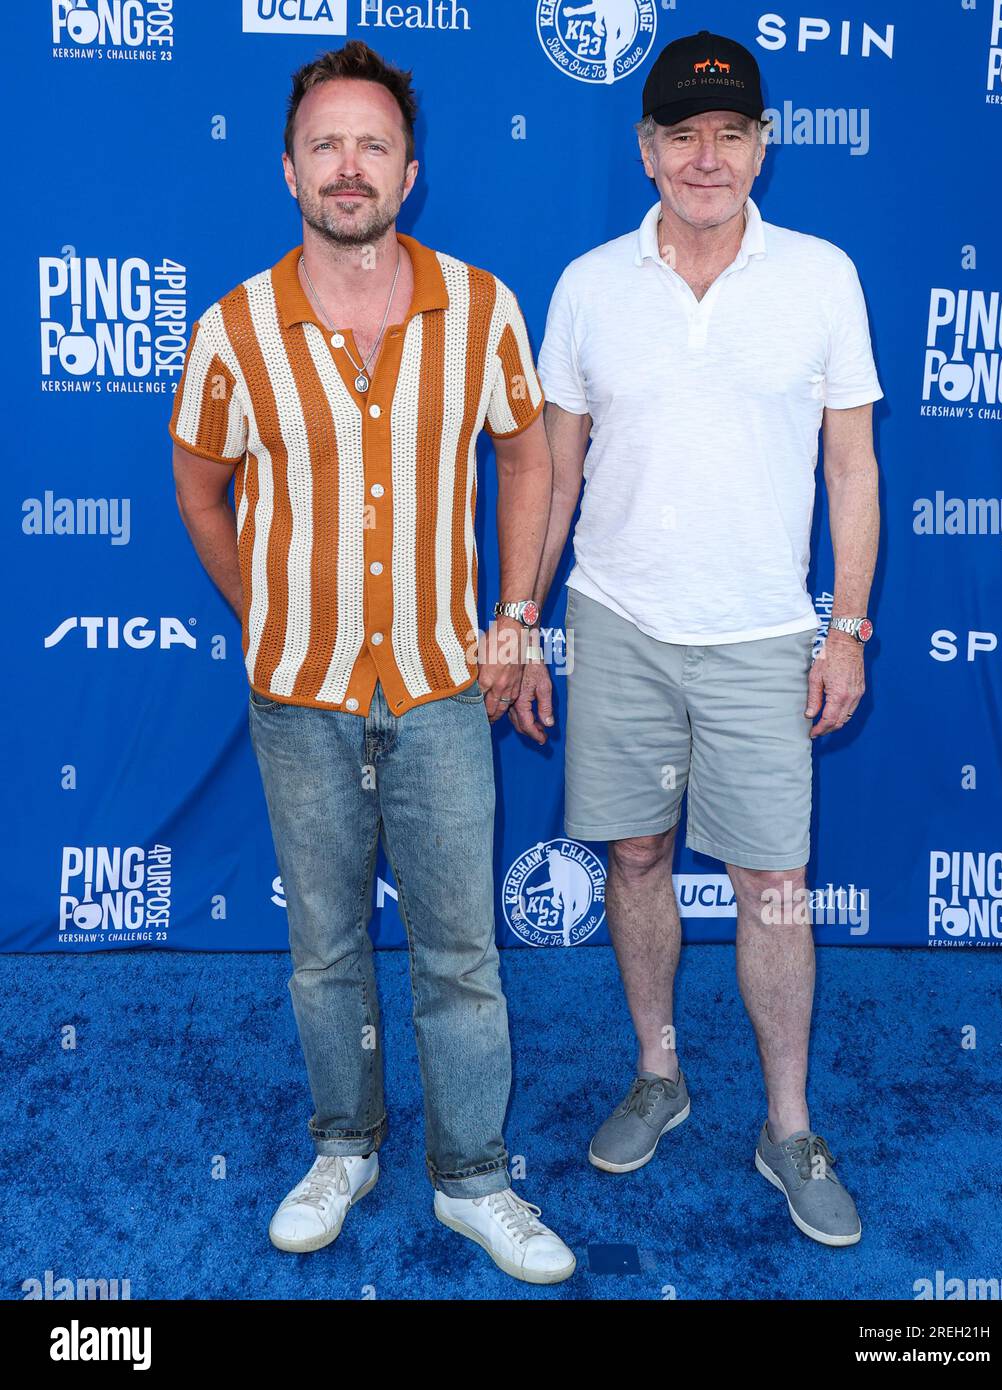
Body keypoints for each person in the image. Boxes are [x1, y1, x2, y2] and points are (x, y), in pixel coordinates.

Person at [169, 40, 574, 1284]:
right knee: (326, 949)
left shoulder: (480, 308)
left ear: (412, 170)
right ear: (289, 166)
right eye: (328, 145)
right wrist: (270, 606)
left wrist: (513, 608)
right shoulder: (234, 326)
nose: (351, 167)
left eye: (374, 146)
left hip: (446, 685)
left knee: (460, 947)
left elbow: (527, 457)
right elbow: (199, 483)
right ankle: (342, 1143)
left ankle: (472, 1177)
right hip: (299, 696)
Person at [515, 29, 883, 1247]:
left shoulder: (822, 276)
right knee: (632, 858)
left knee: (773, 888)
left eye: (729, 133)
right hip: (615, 620)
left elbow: (850, 466)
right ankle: (659, 1070)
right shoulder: (584, 285)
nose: (706, 156)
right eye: (681, 133)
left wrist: (846, 628)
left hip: (767, 633)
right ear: (645, 148)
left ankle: (786, 1125)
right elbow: (554, 476)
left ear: (762, 144)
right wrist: (518, 617)